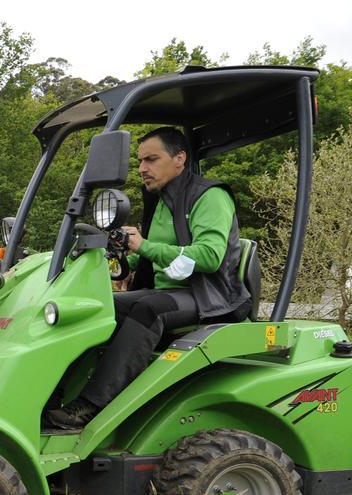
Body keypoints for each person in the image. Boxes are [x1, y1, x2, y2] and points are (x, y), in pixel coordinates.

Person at [44, 126, 252, 430]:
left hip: (209, 295)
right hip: (171, 291)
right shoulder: (162, 200)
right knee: (101, 306)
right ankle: (54, 394)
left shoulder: (210, 196)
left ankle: (92, 405)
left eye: (151, 159)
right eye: (140, 161)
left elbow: (209, 256)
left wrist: (143, 244)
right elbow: (154, 255)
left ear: (179, 158)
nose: (142, 169)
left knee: (150, 309)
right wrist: (121, 257)